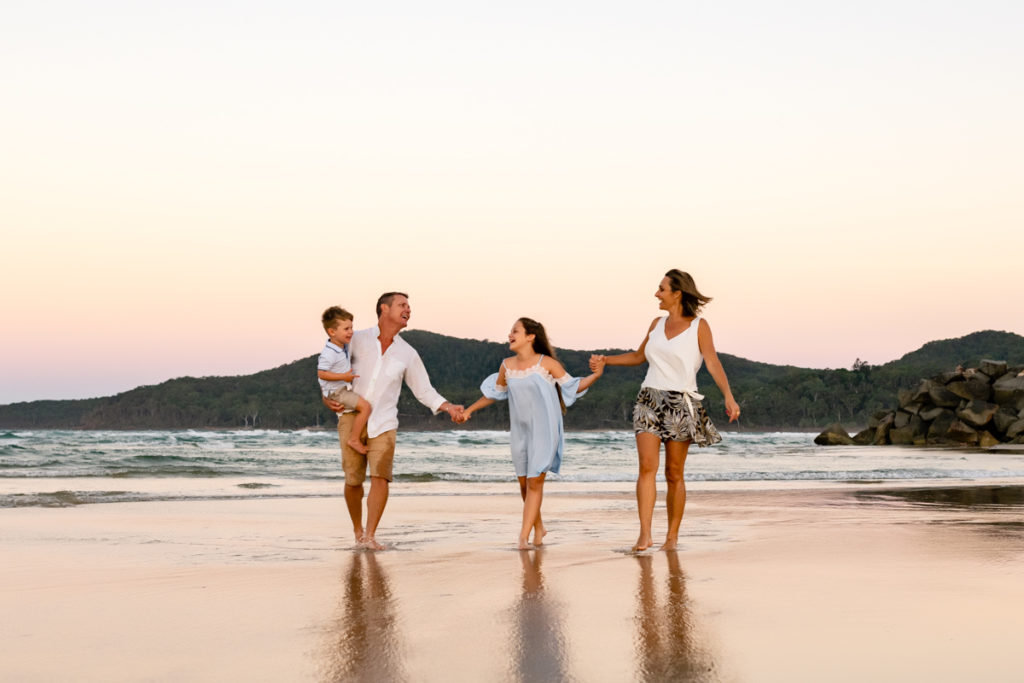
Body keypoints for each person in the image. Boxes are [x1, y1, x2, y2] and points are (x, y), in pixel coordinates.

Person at [589, 269, 740, 552]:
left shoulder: (699, 326)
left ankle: (671, 537)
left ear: (677, 293)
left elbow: (713, 363)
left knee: (673, 473)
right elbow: (637, 356)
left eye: (661, 289)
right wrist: (606, 360)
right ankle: (645, 534)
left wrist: (728, 397)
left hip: (681, 402)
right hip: (649, 399)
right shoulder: (656, 324)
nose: (656, 294)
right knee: (646, 468)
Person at [323, 292, 464, 550]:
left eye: (409, 306)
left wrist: (448, 407)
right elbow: (330, 369)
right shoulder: (357, 339)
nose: (408, 309)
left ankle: (370, 535)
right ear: (383, 308)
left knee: (381, 477)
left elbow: (424, 390)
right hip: (350, 416)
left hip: (385, 421)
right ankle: (357, 529)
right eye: (402, 305)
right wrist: (326, 398)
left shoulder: (408, 353)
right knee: (353, 480)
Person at [458, 318, 603, 549]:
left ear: (530, 336)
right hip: (521, 432)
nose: (510, 335)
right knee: (525, 485)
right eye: (510, 331)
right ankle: (539, 528)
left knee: (535, 482)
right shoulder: (506, 366)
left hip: (545, 430)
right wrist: (469, 410)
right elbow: (495, 393)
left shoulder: (547, 363)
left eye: (515, 331)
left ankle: (522, 538)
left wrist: (595, 376)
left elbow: (572, 386)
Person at [318, 307, 373, 456]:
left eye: (352, 327)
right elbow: (321, 373)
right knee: (366, 407)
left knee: (363, 407)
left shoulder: (342, 346)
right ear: (332, 332)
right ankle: (354, 439)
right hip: (337, 392)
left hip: (338, 390)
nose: (351, 332)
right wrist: (343, 377)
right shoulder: (329, 352)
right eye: (346, 329)